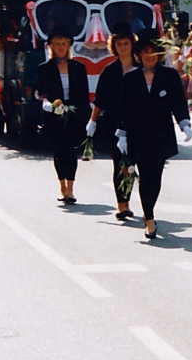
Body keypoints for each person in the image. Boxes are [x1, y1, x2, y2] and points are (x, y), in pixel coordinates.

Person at [117, 28, 192, 239]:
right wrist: (121, 133)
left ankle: (150, 209)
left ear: (159, 54)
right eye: (145, 51)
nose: (149, 55)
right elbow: (123, 107)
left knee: (154, 178)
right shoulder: (130, 78)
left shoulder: (169, 76)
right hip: (136, 135)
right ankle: (148, 218)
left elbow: (178, 102)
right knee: (143, 177)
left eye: (153, 51)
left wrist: (184, 123)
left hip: (160, 136)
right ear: (139, 54)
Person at [88, 22, 138, 220]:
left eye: (126, 43)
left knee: (132, 163)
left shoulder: (141, 68)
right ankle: (122, 205)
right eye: (119, 44)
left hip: (137, 123)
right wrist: (92, 122)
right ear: (114, 47)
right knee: (120, 163)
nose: (123, 47)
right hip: (113, 123)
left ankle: (129, 197)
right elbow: (100, 98)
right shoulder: (110, 70)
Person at [36, 26, 90, 205]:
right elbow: (41, 91)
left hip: (73, 115)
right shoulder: (45, 68)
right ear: (51, 46)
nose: (60, 47)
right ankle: (62, 187)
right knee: (59, 152)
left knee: (71, 151)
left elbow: (83, 93)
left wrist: (82, 113)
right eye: (57, 44)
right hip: (54, 115)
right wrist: (48, 104)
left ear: (69, 46)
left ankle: (71, 188)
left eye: (64, 44)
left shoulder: (78, 67)